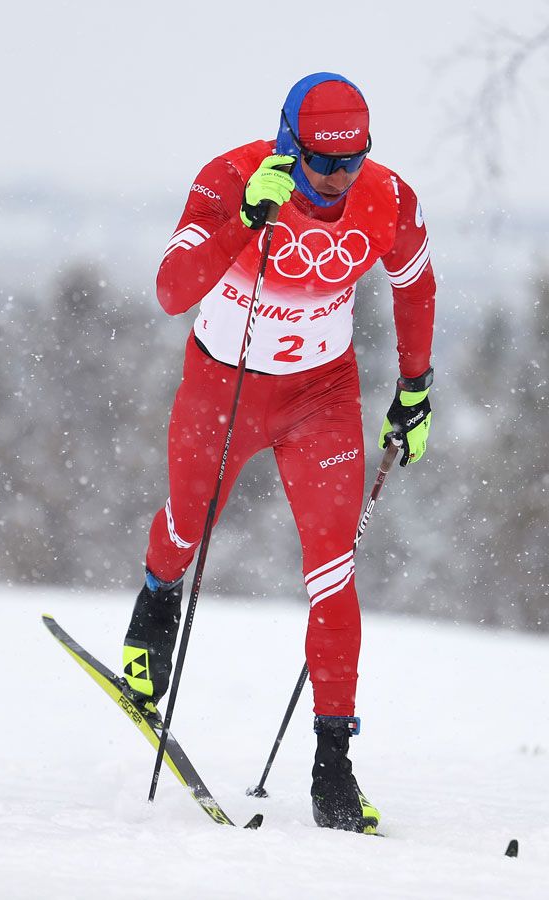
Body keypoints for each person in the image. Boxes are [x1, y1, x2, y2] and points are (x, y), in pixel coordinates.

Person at [121, 72, 436, 834]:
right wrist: (243, 221)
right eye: (322, 163)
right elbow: (171, 289)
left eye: (351, 161)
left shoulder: (387, 197)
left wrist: (416, 386)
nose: (336, 179)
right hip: (220, 388)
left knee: (333, 572)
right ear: (289, 145)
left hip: (319, 399)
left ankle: (334, 769)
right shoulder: (229, 178)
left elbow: (416, 283)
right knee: (189, 528)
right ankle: (157, 603)